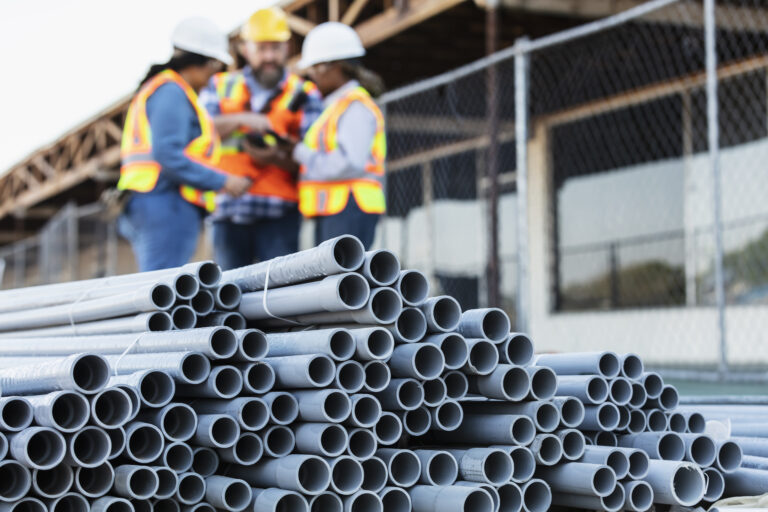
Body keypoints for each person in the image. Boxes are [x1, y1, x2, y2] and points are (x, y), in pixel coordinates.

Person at [118, 18, 251, 272]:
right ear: (208, 62)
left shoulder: (166, 89)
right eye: (217, 67)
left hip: (155, 201)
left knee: (163, 287)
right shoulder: (172, 91)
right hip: (165, 203)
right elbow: (168, 154)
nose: (216, 76)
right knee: (163, 290)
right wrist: (224, 181)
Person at [201, 8, 323, 270]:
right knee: (228, 295)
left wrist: (277, 158)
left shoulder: (305, 93)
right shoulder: (220, 85)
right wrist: (245, 120)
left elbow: (314, 154)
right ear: (245, 49)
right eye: (261, 48)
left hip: (280, 212)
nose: (269, 56)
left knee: (278, 296)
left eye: (276, 48)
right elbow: (200, 130)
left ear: (287, 48)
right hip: (228, 211)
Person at [291, 22, 387, 249]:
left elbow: (349, 163)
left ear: (334, 66)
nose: (312, 75)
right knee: (333, 281)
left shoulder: (355, 106)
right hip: (338, 208)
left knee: (342, 281)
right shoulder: (336, 107)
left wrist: (300, 153)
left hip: (349, 207)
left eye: (315, 67)